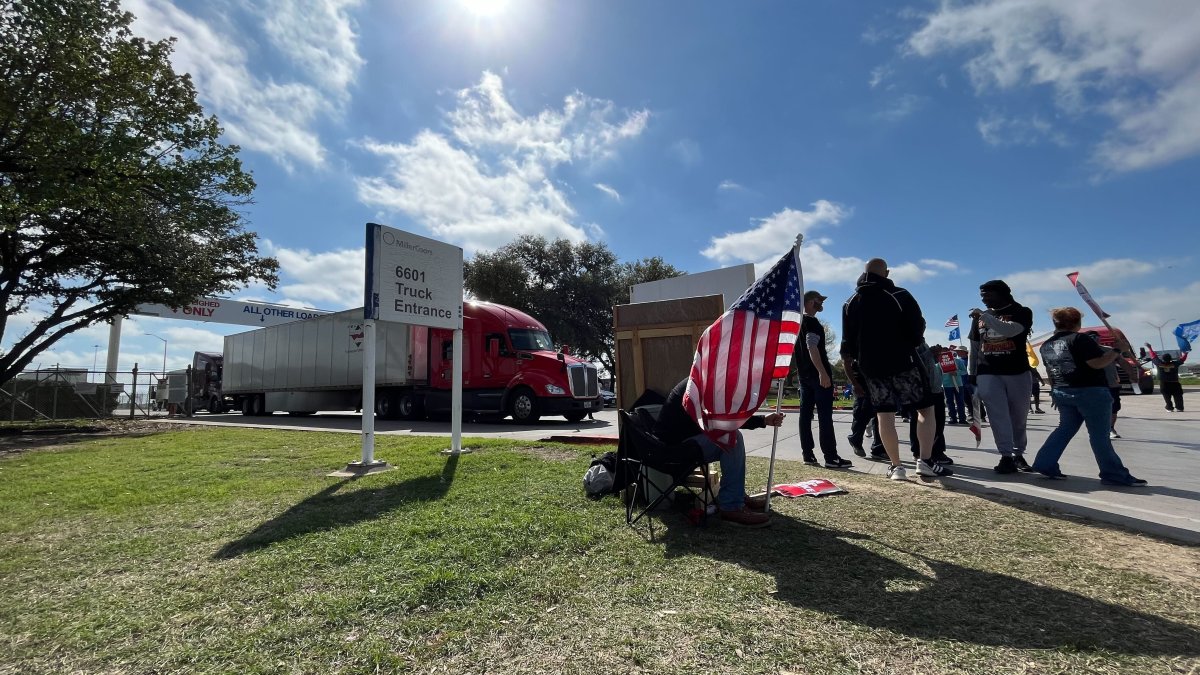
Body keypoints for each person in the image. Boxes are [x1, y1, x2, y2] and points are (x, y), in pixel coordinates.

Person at [841, 260, 953, 480]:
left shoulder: (850, 302)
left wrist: (855, 369)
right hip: (905, 363)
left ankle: (896, 467)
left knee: (885, 416)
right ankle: (925, 461)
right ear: (887, 273)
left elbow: (848, 342)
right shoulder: (899, 295)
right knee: (924, 410)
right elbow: (917, 328)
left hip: (871, 367)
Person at [1031, 308, 1146, 486]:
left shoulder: (1047, 344)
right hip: (1090, 391)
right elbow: (1097, 363)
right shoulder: (1080, 339)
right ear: (1077, 323)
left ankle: (1045, 463)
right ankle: (1113, 474)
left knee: (1064, 429)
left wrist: (1055, 390)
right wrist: (1117, 350)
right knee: (1099, 436)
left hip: (1063, 391)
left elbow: (1050, 370)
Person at [653, 378, 786, 527]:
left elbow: (725, 418)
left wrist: (762, 420)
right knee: (732, 439)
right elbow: (723, 421)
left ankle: (736, 495)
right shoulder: (702, 386)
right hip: (675, 450)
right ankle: (731, 506)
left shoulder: (701, 380)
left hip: (680, 443)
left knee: (731, 437)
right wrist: (761, 421)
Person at [968, 280, 1035, 474]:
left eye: (988, 295)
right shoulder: (980, 316)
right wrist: (973, 374)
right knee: (998, 416)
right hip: (988, 371)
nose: (984, 299)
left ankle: (1018, 453)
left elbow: (1011, 330)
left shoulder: (1022, 311)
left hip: (1017, 371)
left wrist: (984, 316)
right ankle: (1006, 455)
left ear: (1003, 293)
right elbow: (974, 345)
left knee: (1018, 416)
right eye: (982, 296)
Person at [797, 290, 853, 469]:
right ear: (810, 301)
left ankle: (808, 454)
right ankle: (831, 457)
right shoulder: (811, 322)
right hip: (817, 377)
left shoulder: (797, 324)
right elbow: (811, 346)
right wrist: (822, 372)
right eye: (819, 300)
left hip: (803, 375)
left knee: (805, 416)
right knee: (824, 417)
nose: (821, 303)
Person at [844, 359, 887, 460]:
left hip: (879, 377)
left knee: (880, 414)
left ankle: (878, 448)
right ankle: (855, 439)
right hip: (862, 378)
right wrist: (854, 383)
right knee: (862, 411)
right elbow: (846, 361)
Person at [1146, 343, 1188, 412]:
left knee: (1167, 397)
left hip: (1164, 384)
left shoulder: (1159, 363)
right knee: (1178, 396)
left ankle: (1169, 408)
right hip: (1175, 383)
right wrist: (1186, 353)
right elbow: (1182, 359)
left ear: (1162, 358)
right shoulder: (1174, 364)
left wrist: (1150, 348)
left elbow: (1153, 356)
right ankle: (1179, 408)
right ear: (1170, 359)